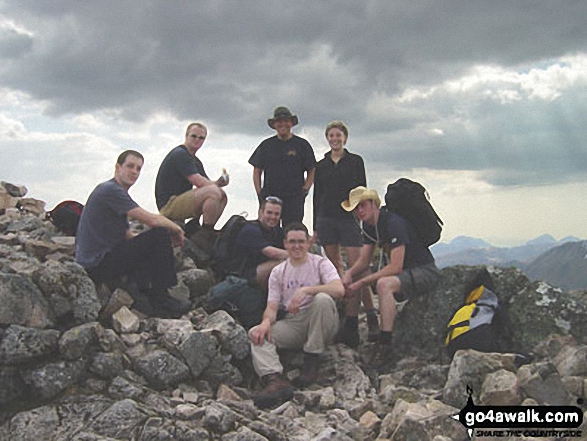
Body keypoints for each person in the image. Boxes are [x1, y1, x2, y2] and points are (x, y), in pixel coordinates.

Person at [76, 150, 190, 318]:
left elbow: (127, 235)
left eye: (138, 168)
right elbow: (152, 220)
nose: (134, 172)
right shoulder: (110, 190)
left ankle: (144, 292)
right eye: (130, 166)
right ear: (117, 167)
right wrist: (177, 229)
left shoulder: (116, 193)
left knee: (152, 241)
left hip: (100, 260)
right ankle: (161, 299)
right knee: (158, 233)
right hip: (96, 264)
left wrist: (156, 248)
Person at [341, 187, 441, 366]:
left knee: (383, 285)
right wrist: (349, 274)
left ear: (374, 204)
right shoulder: (370, 227)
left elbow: (396, 266)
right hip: (406, 274)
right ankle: (350, 327)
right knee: (358, 277)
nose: (359, 211)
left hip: (425, 271)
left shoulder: (394, 223)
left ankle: (385, 343)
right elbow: (364, 261)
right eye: (356, 208)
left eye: (362, 205)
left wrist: (362, 282)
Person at [248, 222, 344, 409]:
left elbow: (338, 289)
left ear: (308, 243)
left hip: (322, 320)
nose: (297, 246)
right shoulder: (278, 272)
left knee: (323, 299)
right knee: (256, 335)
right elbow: (272, 306)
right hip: (295, 323)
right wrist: (266, 322)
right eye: (292, 242)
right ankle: (275, 379)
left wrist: (307, 291)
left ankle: (312, 359)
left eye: (301, 241)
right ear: (285, 243)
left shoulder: (320, 263)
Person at [313, 120, 379, 347]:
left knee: (358, 269)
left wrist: (365, 218)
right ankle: (344, 318)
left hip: (348, 218)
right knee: (333, 268)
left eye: (338, 135)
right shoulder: (320, 165)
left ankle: (369, 316)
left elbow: (362, 192)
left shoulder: (355, 161)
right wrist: (315, 226)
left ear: (345, 137)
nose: (334, 139)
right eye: (331, 135)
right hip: (326, 218)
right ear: (327, 138)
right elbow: (317, 195)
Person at [155, 122, 228, 253]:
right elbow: (200, 183)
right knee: (213, 193)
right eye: (194, 136)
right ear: (186, 136)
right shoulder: (180, 154)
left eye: (201, 138)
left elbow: (207, 183)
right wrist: (215, 186)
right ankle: (204, 235)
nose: (197, 140)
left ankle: (206, 230)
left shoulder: (194, 160)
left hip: (180, 201)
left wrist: (219, 182)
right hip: (169, 204)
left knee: (221, 195)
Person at [249, 107, 316, 226]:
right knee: (267, 230)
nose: (283, 124)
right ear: (274, 125)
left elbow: (312, 169)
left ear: (291, 123)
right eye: (279, 121)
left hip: (294, 198)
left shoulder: (302, 145)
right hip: (270, 196)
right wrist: (260, 194)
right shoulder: (266, 145)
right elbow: (257, 170)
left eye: (286, 121)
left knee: (291, 230)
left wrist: (305, 190)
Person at [231, 196, 288, 291]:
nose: (273, 217)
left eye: (276, 214)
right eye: (269, 213)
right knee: (283, 264)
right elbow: (271, 253)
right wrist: (301, 256)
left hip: (260, 271)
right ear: (261, 212)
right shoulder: (250, 230)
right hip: (243, 275)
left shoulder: (277, 232)